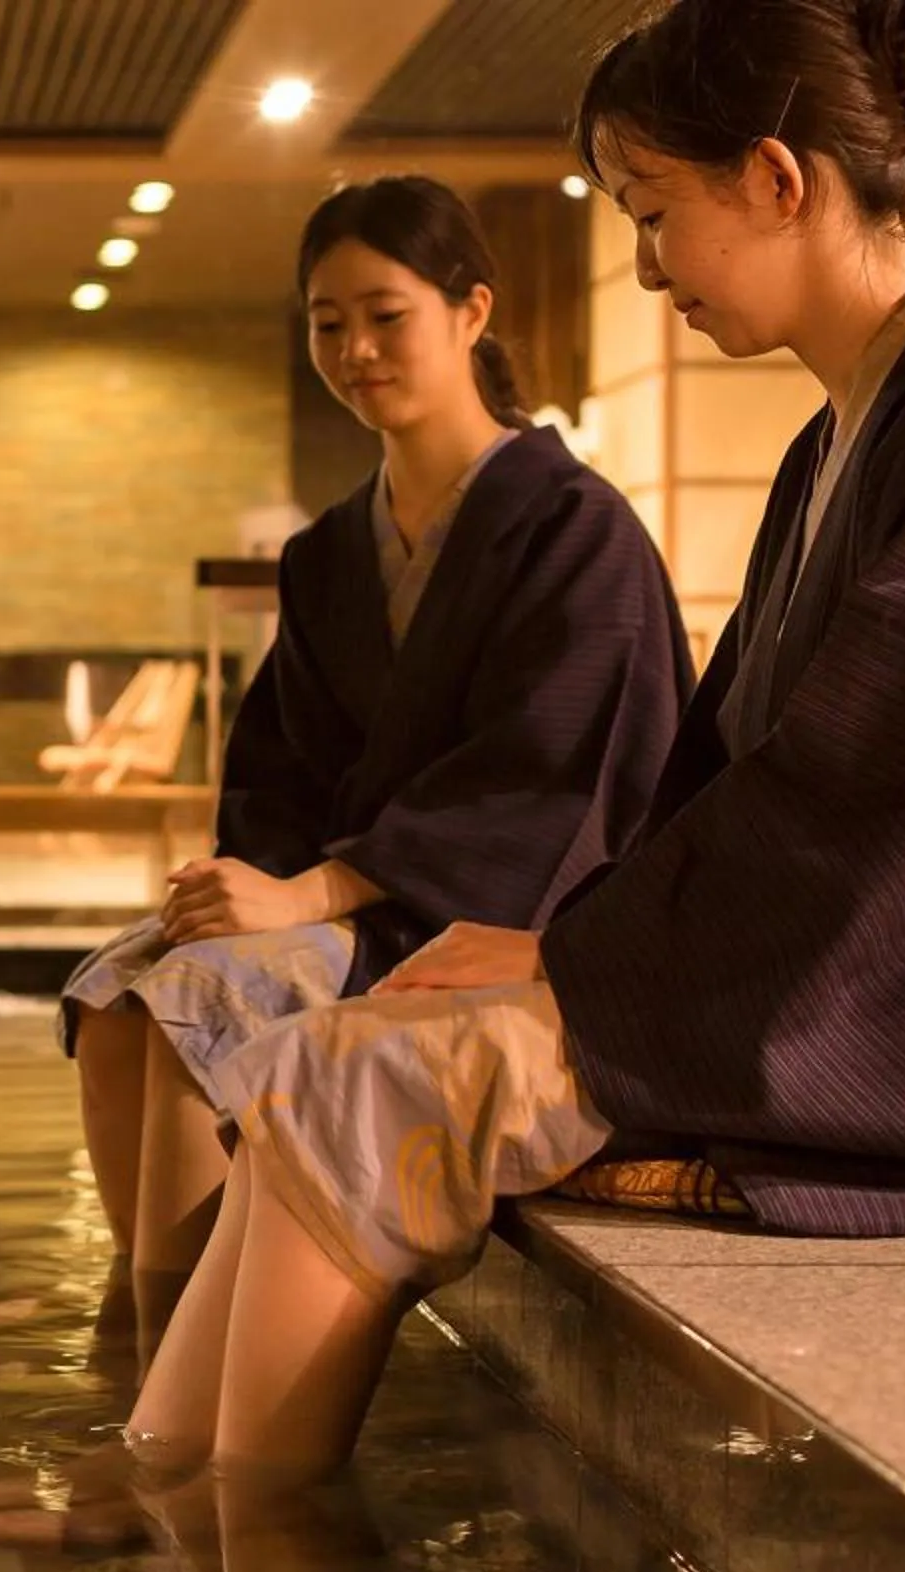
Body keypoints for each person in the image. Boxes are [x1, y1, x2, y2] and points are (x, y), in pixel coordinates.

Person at [98, 0, 905, 1489]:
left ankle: (247, 1568)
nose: (642, 264)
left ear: (774, 177)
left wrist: (576, 957)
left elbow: (866, 803)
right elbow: (770, 789)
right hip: (823, 946)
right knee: (310, 1056)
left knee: (361, 1082)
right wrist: (565, 941)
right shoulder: (853, 433)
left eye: (653, 213)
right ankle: (171, 1493)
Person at [61, 175, 688, 1341]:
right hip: (348, 900)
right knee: (113, 994)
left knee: (199, 997)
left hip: (484, 914)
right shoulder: (329, 553)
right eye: (326, 322)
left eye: (384, 314)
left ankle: (163, 1369)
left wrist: (311, 892)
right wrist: (247, 887)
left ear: (471, 311)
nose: (354, 349)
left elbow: (545, 773)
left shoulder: (571, 528)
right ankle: (139, 1333)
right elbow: (279, 770)